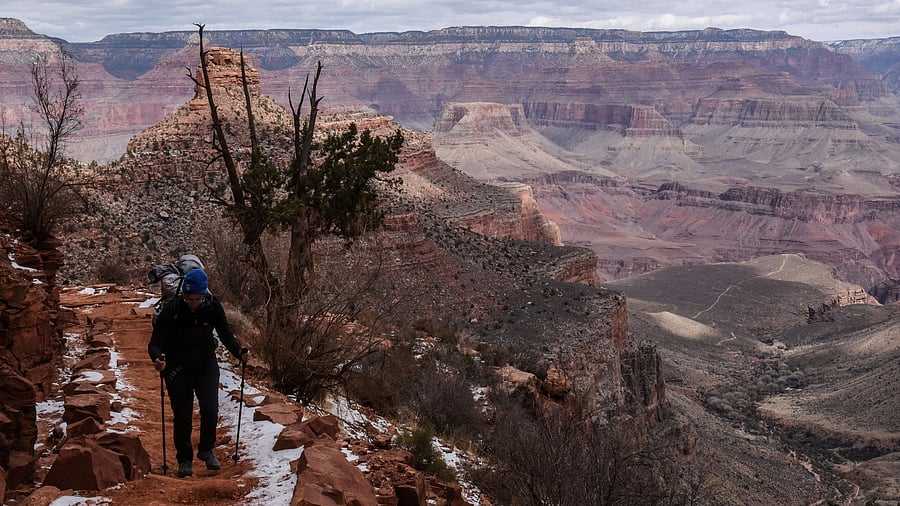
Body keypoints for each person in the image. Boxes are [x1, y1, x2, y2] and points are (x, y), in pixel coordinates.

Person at [148, 268, 249, 478]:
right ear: (183, 294)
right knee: (183, 416)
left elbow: (225, 334)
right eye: (189, 298)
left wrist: (239, 352)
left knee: (210, 409)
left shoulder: (212, 307)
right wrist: (158, 358)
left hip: (206, 366)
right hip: (177, 369)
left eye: (196, 299)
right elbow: (155, 343)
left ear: (204, 295)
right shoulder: (172, 309)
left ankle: (206, 450)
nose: (192, 303)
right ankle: (184, 460)